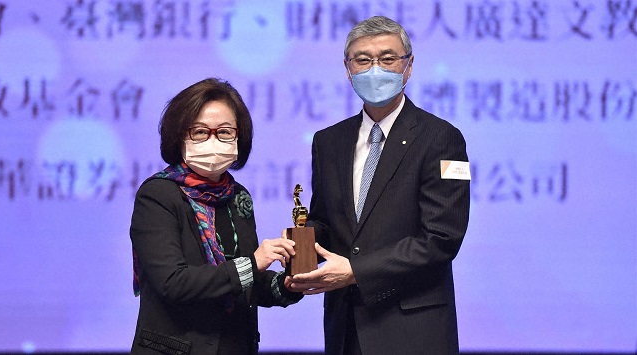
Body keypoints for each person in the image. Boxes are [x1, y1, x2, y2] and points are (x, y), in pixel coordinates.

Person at [288, 16, 471, 354]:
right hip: (346, 329)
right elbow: (326, 222)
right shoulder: (328, 141)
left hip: (414, 329)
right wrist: (296, 248)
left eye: (388, 58)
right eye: (363, 59)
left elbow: (441, 239)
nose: (375, 69)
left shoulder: (442, 138)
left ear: (409, 66)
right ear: (347, 68)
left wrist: (355, 271)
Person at [130, 78, 302, 355]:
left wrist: (288, 284)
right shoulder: (158, 195)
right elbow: (173, 283)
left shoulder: (237, 196)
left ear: (239, 137)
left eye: (224, 132)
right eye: (199, 132)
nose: (213, 140)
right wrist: (253, 263)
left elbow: (244, 283)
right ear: (179, 136)